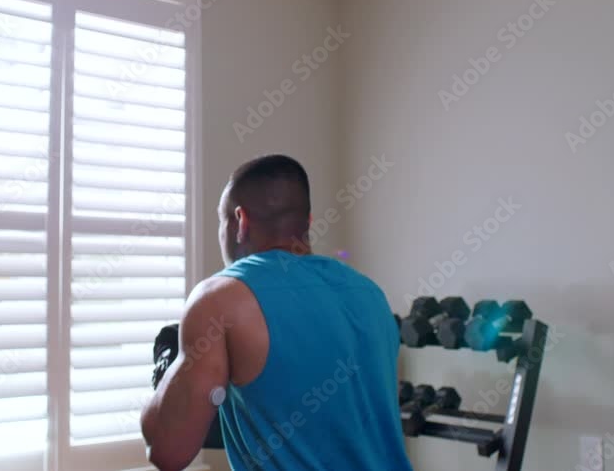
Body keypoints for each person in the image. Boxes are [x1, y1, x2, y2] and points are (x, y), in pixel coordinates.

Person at [141, 154, 413, 471]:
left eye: (221, 221)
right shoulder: (370, 294)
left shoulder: (220, 298)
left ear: (240, 221)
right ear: (307, 223)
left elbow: (167, 452)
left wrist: (168, 370)